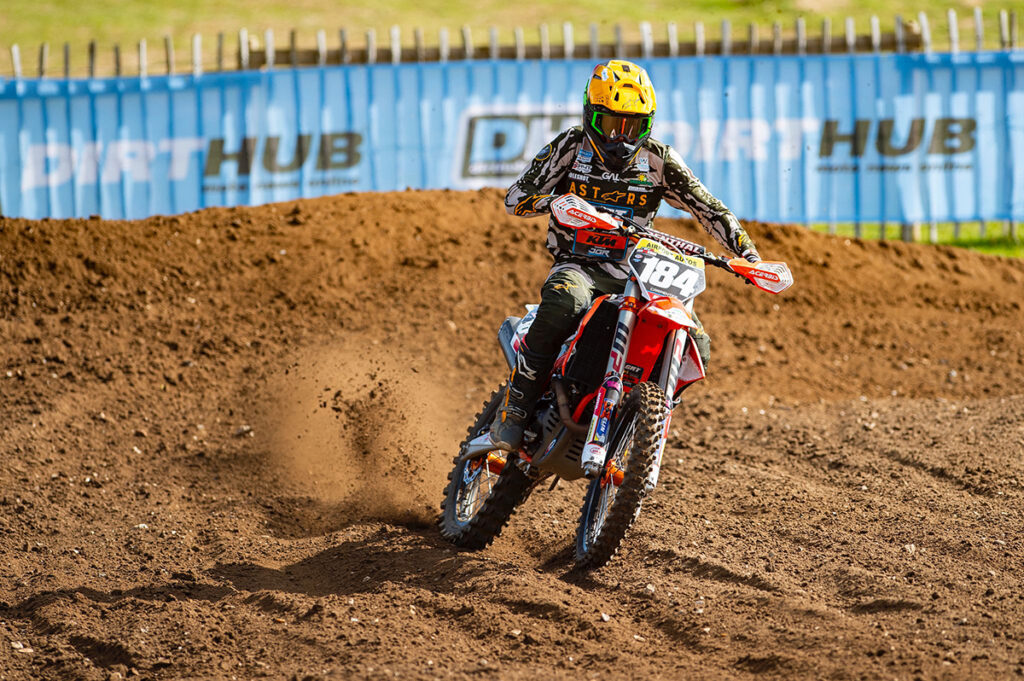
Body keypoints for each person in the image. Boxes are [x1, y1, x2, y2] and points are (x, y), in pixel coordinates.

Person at [490, 59, 764, 451]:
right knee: (565, 302)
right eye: (611, 124)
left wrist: (748, 255)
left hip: (636, 270)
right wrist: (555, 203)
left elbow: (709, 208)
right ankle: (516, 409)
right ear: (590, 116)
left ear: (647, 125)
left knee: (696, 343)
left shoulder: (658, 159)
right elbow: (515, 198)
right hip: (579, 264)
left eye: (632, 127)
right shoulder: (571, 146)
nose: (621, 137)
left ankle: (637, 419)